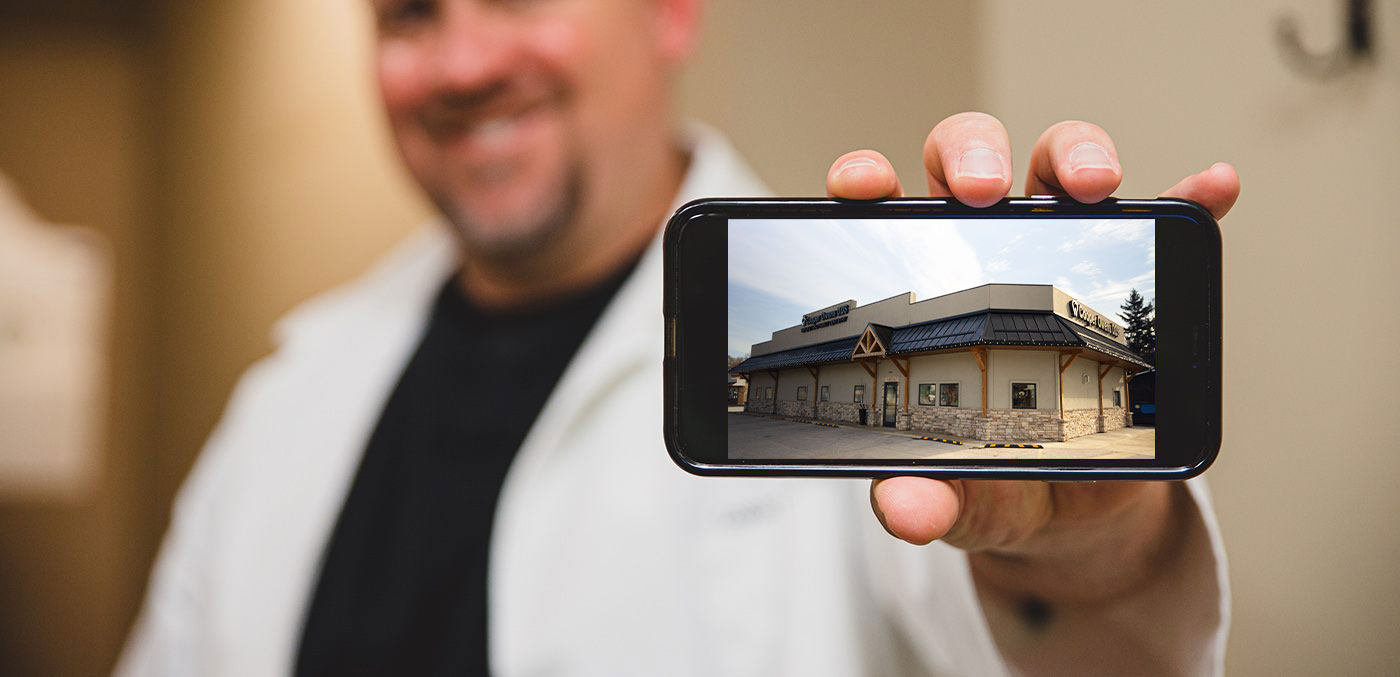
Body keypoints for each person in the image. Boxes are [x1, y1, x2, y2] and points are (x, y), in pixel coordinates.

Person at [117, 0, 1240, 674]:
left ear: (668, 12)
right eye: (410, 12)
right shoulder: (288, 394)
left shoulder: (843, 366)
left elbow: (1062, 633)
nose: (460, 65)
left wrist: (1089, 545)